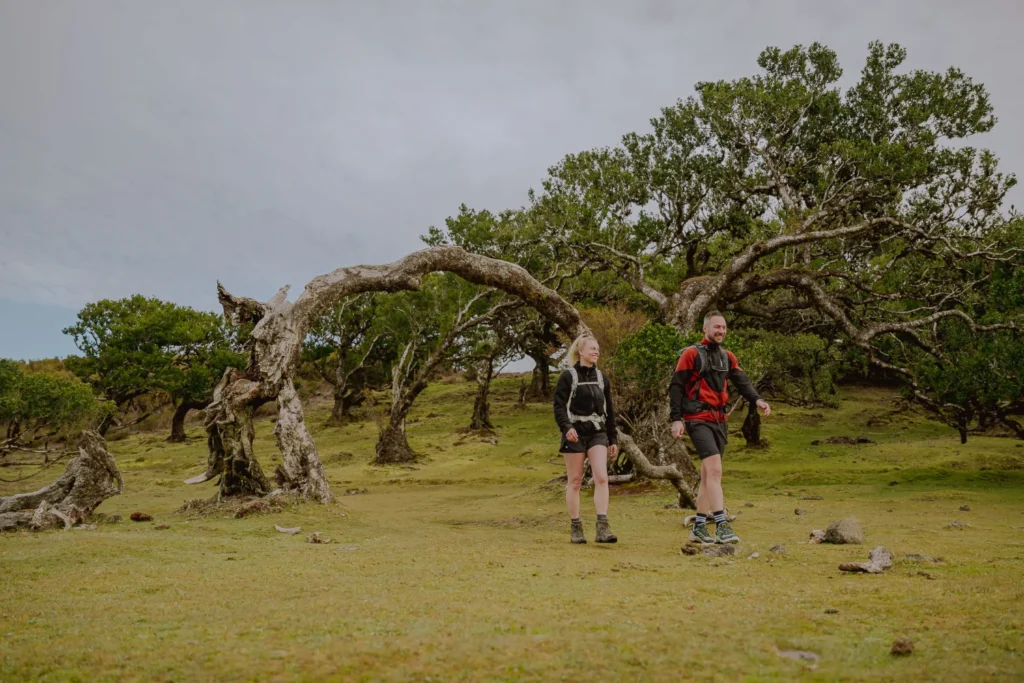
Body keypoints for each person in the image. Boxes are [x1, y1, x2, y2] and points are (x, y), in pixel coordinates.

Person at [669, 311, 770, 545]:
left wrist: (757, 399)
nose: (721, 331)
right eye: (716, 327)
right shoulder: (691, 354)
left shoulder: (728, 357)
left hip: (719, 421)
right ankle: (722, 524)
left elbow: (742, 382)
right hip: (697, 418)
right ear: (705, 329)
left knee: (707, 476)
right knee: (714, 470)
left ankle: (699, 528)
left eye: (724, 328)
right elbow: (676, 387)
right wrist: (676, 419)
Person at [553, 334, 618, 544]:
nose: (596, 351)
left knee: (601, 477)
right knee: (575, 481)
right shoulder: (568, 377)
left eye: (598, 348)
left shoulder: (602, 378)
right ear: (580, 351)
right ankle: (576, 527)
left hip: (597, 432)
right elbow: (559, 407)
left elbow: (610, 410)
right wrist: (567, 427)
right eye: (592, 348)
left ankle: (602, 527)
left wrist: (613, 438)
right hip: (574, 432)